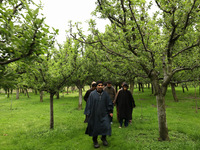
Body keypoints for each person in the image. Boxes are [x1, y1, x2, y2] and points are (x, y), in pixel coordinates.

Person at [84, 81, 113, 148]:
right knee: (95, 127)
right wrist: (88, 113)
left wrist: (110, 111)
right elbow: (89, 104)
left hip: (104, 114)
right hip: (94, 114)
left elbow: (109, 103)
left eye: (101, 85)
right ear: (96, 86)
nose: (100, 86)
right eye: (99, 85)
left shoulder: (105, 94)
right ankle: (95, 141)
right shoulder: (92, 94)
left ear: (103, 86)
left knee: (105, 126)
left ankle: (103, 138)